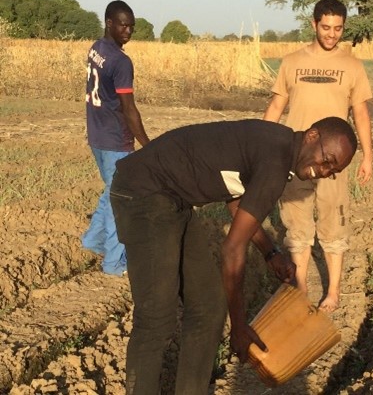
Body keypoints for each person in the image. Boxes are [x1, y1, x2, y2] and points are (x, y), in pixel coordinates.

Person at [109, 117, 358, 394]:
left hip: (173, 201)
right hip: (143, 192)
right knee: (156, 316)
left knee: (209, 306)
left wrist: (270, 253)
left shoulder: (278, 145)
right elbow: (232, 249)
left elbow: (237, 198)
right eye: (327, 160)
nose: (324, 171)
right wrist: (239, 329)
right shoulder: (275, 162)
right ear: (312, 135)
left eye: (333, 170)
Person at [263, 0, 373, 313]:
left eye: (338, 29)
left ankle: (333, 293)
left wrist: (367, 155)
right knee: (296, 226)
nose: (331, 34)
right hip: (295, 159)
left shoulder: (352, 66)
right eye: (326, 27)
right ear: (313, 24)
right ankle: (300, 291)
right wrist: (257, 146)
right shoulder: (291, 62)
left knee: (333, 225)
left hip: (334, 164)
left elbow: (361, 112)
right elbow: (275, 107)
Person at [82, 0, 150, 276]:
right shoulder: (122, 62)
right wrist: (147, 144)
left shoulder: (97, 48)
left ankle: (92, 241)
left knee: (111, 191)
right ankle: (113, 263)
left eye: (131, 26)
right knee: (121, 200)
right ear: (109, 22)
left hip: (97, 134)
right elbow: (129, 108)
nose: (128, 30)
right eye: (123, 24)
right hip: (114, 140)